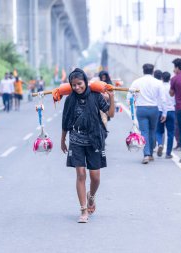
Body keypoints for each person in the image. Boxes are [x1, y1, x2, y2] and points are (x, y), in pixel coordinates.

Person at [61, 68, 115, 223]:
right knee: (81, 175)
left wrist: (111, 97)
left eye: (79, 84)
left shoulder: (95, 95)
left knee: (95, 177)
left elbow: (110, 114)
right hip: (76, 140)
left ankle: (91, 197)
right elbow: (65, 120)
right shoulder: (70, 99)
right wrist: (63, 139)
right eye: (73, 85)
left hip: (94, 139)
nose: (77, 88)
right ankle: (83, 210)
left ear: (85, 81)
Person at [130, 64, 166, 164]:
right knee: (152, 131)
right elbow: (163, 99)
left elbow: (130, 96)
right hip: (154, 109)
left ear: (143, 70)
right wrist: (164, 113)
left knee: (144, 132)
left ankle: (146, 154)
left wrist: (134, 105)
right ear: (153, 71)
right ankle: (150, 153)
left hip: (141, 109)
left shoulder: (137, 82)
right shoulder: (158, 83)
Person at [156, 71, 175, 158]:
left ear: (162, 78)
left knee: (159, 131)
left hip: (160, 111)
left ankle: (160, 144)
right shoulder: (172, 88)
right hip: (171, 111)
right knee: (170, 133)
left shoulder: (159, 87)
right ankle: (168, 153)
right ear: (169, 78)